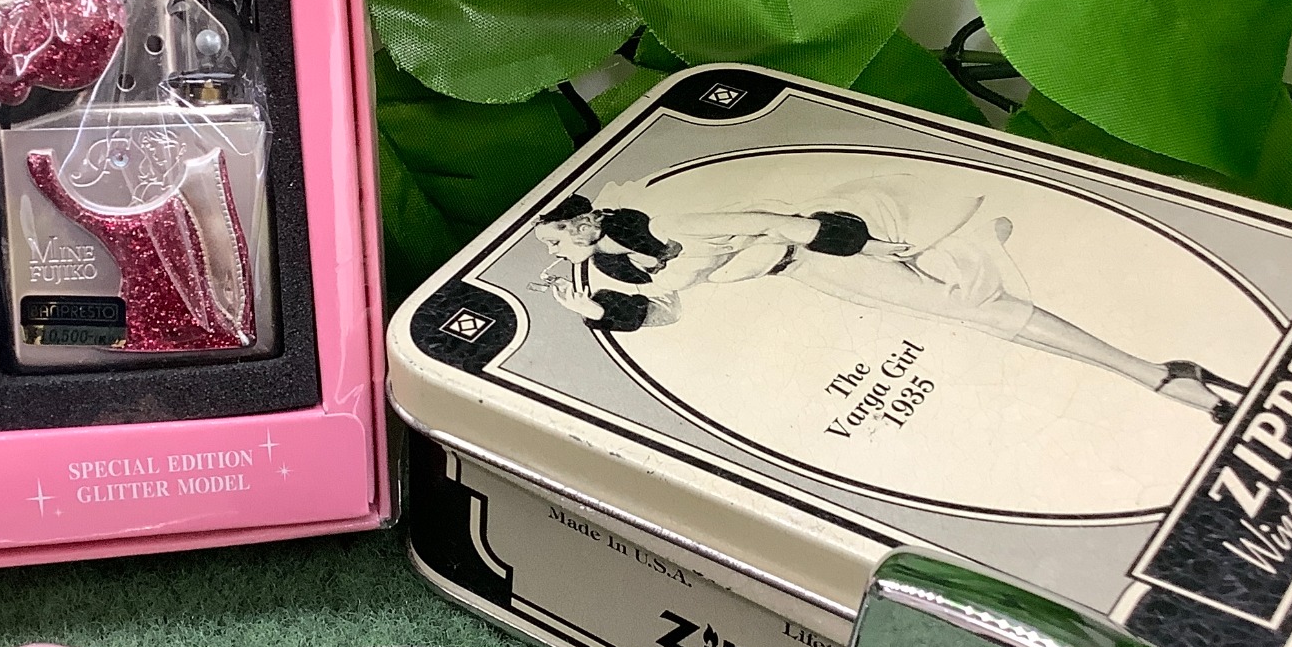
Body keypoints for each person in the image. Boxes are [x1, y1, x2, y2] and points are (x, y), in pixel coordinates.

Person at [530, 175, 1243, 422]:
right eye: (555, 245)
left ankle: (1154, 374)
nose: (563, 246)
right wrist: (589, 311)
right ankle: (1158, 372)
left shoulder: (671, 221)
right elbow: (671, 309)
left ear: (585, 217)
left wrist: (866, 246)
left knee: (971, 308)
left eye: (561, 231)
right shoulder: (621, 265)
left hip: (826, 250)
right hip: (809, 276)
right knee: (973, 313)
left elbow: (776, 223)